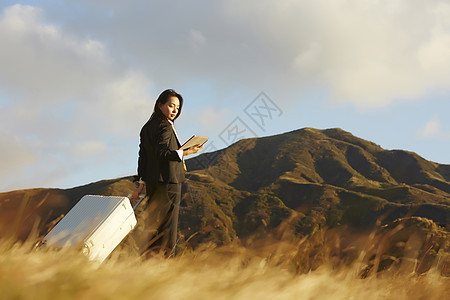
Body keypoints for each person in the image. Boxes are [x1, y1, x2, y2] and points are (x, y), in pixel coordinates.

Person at [131, 89, 203, 257]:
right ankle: (165, 263)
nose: (174, 110)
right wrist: (187, 152)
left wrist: (141, 183)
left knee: (154, 224)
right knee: (168, 227)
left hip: (153, 182)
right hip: (168, 181)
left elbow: (143, 157)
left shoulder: (147, 127)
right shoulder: (164, 126)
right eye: (171, 106)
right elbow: (161, 152)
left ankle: (149, 261)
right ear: (160, 105)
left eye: (177, 108)